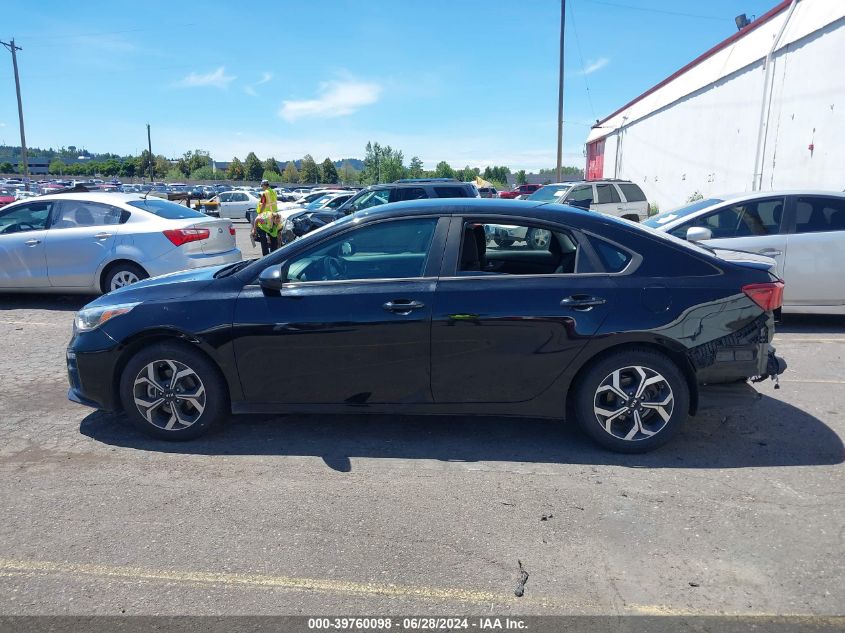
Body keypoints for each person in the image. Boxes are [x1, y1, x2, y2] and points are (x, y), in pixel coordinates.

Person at [252, 179, 280, 255]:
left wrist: (260, 213)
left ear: (264, 185)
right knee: (273, 235)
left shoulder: (265, 193)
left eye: (262, 186)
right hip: (274, 216)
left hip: (266, 217)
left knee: (263, 237)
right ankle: (274, 254)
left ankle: (266, 255)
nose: (262, 187)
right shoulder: (273, 192)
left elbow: (263, 204)